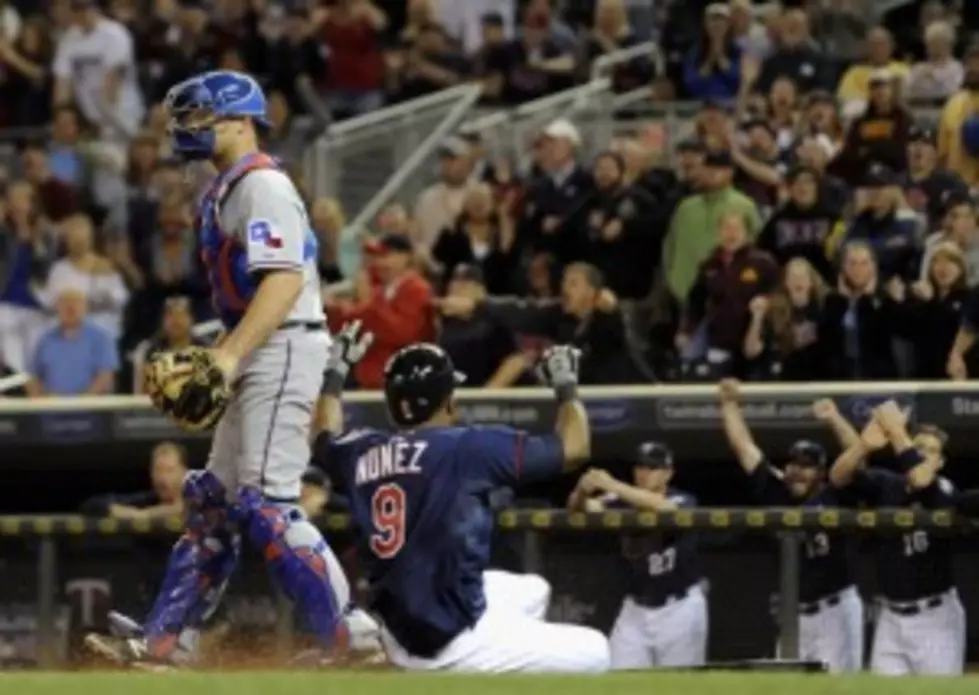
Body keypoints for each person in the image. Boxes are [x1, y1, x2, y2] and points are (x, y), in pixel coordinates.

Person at [84, 70, 347, 668]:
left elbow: (283, 281)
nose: (186, 129)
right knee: (212, 503)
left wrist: (227, 356)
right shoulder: (229, 187)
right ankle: (167, 642)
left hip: (285, 343)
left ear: (238, 118)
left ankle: (348, 632)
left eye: (198, 117)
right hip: (260, 344)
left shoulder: (262, 185)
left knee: (269, 505)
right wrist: (221, 353)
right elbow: (248, 294)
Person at [312, 323, 610, 672]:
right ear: (447, 401)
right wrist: (565, 387)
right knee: (598, 650)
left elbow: (321, 435)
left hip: (397, 631)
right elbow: (576, 447)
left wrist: (335, 372)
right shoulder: (468, 448)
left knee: (533, 591)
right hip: (452, 644)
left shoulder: (360, 451)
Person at [719, 382, 863, 672]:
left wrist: (834, 417)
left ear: (821, 473)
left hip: (834, 610)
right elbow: (742, 446)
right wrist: (728, 404)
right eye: (794, 464)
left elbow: (858, 454)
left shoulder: (835, 492)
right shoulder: (776, 490)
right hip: (794, 613)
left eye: (807, 465)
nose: (797, 470)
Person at [830, 402, 965, 676]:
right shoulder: (886, 483)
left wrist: (895, 431)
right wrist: (864, 446)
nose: (923, 455)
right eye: (919, 447)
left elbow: (920, 480)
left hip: (935, 618)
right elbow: (838, 478)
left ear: (940, 462)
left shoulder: (943, 489)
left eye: (931, 451)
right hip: (891, 617)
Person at [568, 442, 707, 670]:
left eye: (652, 468)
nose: (643, 473)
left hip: (678, 607)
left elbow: (665, 509)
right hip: (635, 608)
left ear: (668, 474)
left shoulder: (682, 498)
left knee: (679, 686)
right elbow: (579, 508)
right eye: (640, 467)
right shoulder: (619, 500)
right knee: (619, 679)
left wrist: (612, 484)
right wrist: (581, 491)